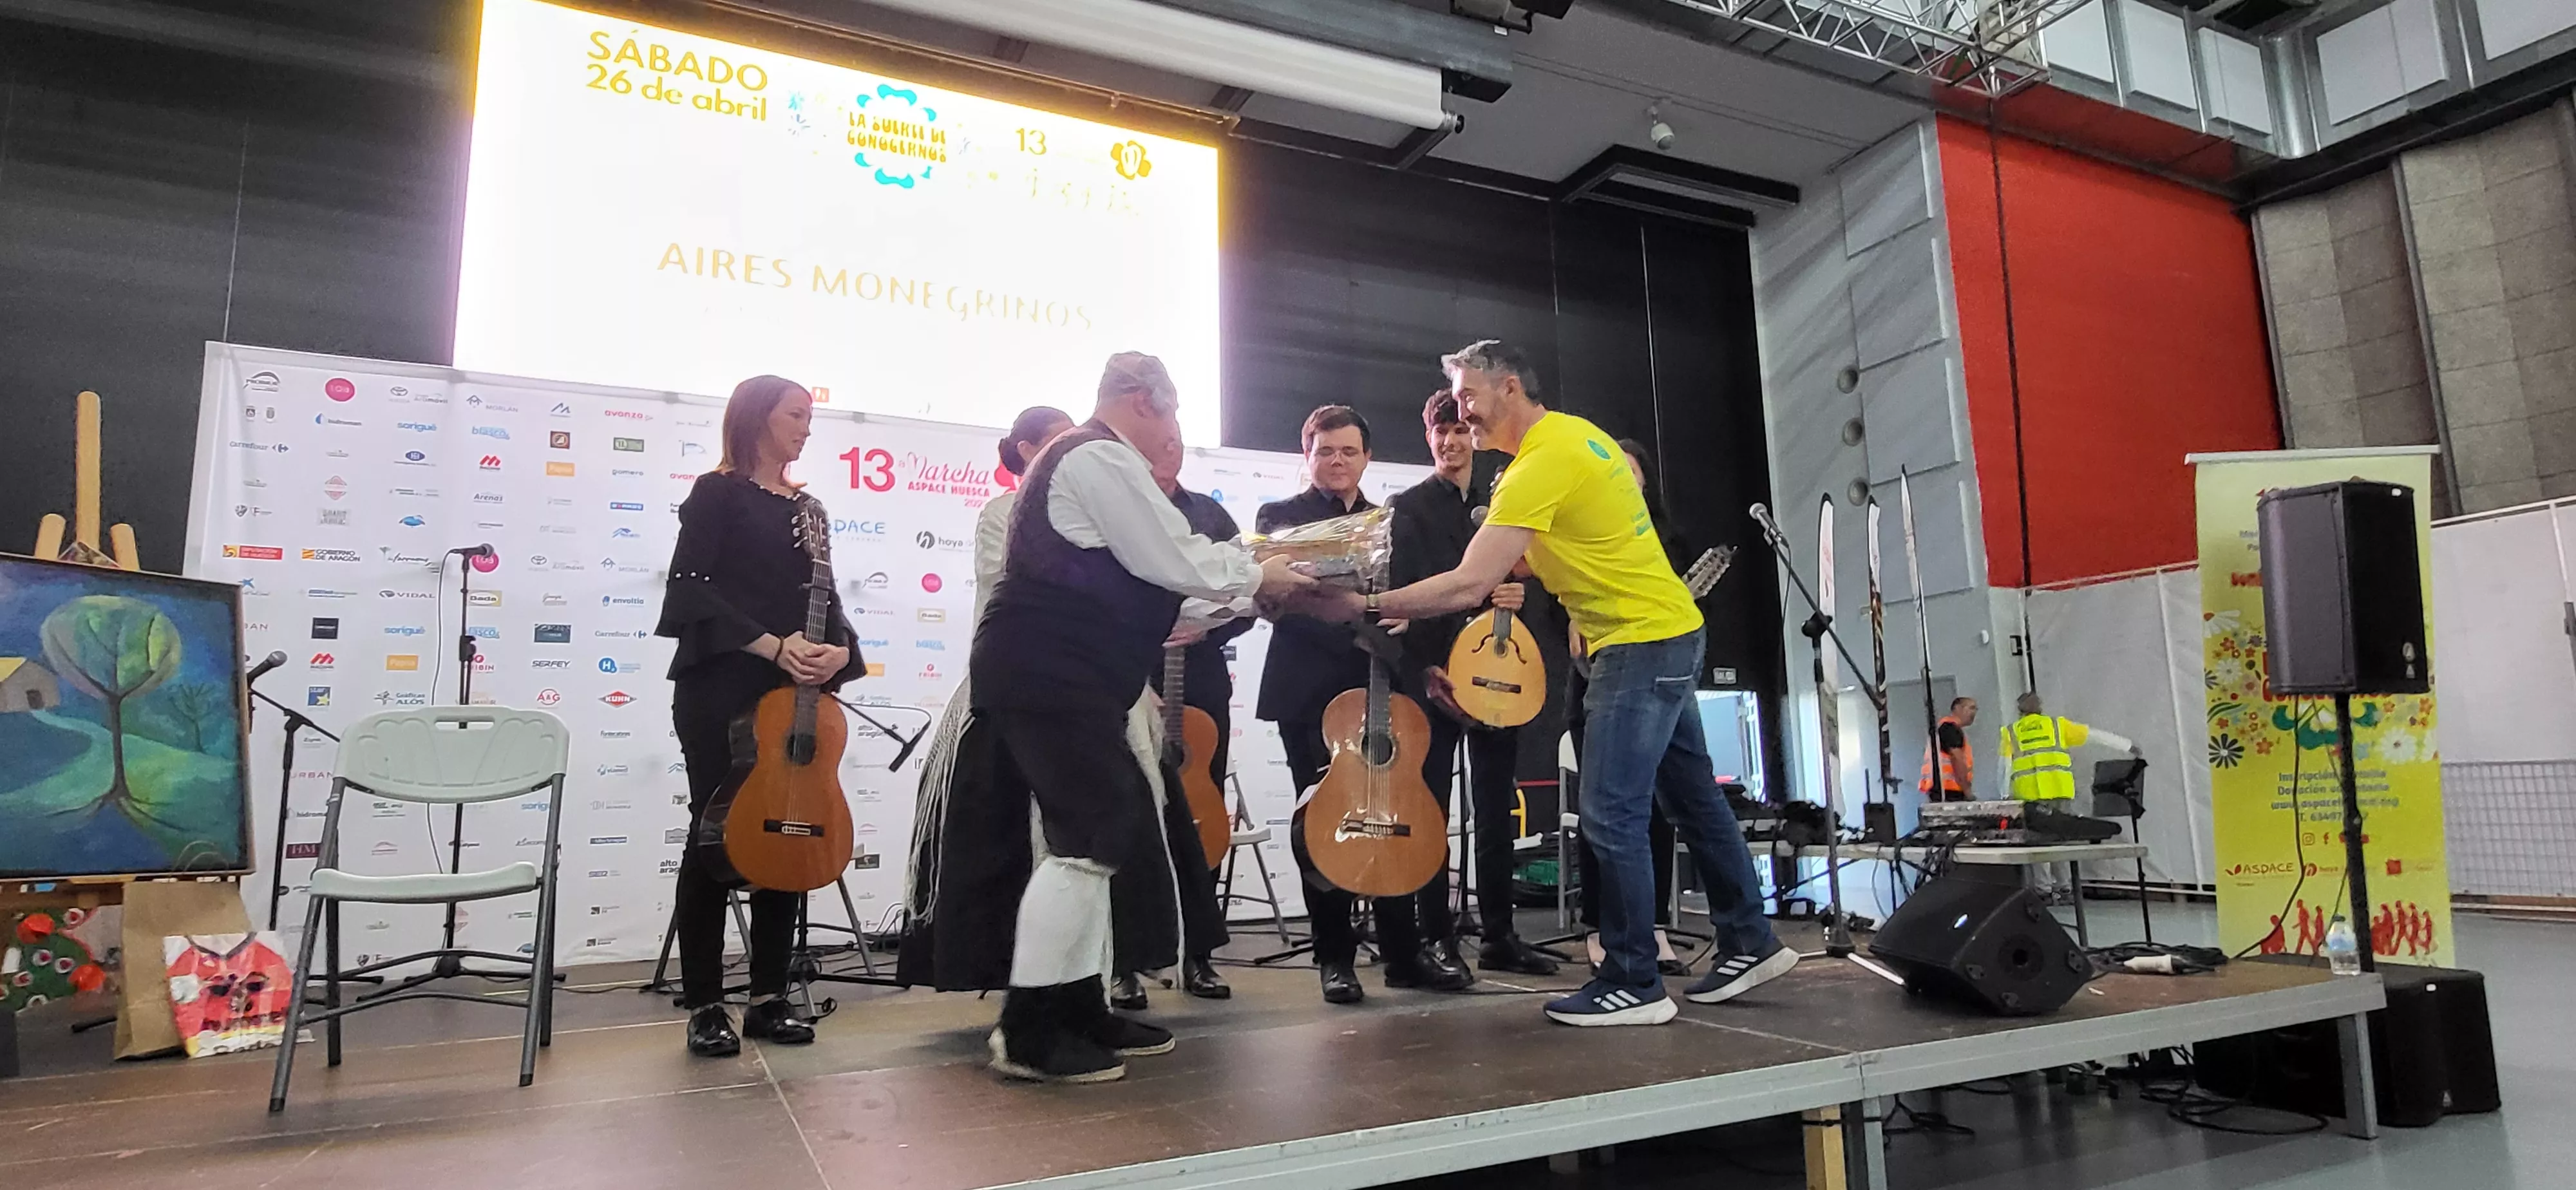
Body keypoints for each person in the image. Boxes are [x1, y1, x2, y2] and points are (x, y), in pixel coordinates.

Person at [1311, 340, 1792, 1027]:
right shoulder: (1578, 438)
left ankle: (1633, 979)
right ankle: (1750, 938)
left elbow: (1473, 581)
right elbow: (1553, 553)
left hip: (1636, 643)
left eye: (1469, 396)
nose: (1462, 411)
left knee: (1609, 814)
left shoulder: (1538, 463)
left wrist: (1369, 603)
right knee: (1693, 802)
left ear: (1508, 388)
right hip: (1668, 630)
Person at [913, 352, 1307, 1084]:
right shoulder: (1097, 456)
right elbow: (1174, 556)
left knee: (1102, 832)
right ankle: (1028, 1028)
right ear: (1139, 400)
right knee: (1091, 834)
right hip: (1048, 674)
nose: (1175, 432)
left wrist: (1252, 595)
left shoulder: (1085, 462)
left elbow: (1153, 585)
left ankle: (1077, 1005)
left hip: (1065, 677)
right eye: (1174, 413)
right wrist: (1262, 574)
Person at [656, 375, 864, 1057]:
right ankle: (707, 1003)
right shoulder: (716, 493)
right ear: (757, 418)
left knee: (794, 829)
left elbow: (825, 600)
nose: (807, 427)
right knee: (714, 839)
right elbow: (690, 590)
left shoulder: (810, 507)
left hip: (797, 692)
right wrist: (773, 645)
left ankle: (770, 997)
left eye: (810, 416)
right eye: (795, 415)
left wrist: (839, 653)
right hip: (722, 685)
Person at [1258, 404, 1472, 1005]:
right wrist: (1363, 625)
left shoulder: (1390, 520)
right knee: (1319, 828)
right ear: (1308, 454)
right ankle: (1335, 959)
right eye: (1326, 451)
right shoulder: (1280, 519)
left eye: (1349, 452)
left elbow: (1408, 599)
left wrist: (1403, 628)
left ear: (1367, 457)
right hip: (1307, 693)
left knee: (1393, 817)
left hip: (1384, 690)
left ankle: (1404, 956)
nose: (1337, 462)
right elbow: (1286, 603)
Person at [1385, 389, 1556, 977]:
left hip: (1496, 674)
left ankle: (1500, 936)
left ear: (1476, 439)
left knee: (1494, 810)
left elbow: (1523, 581)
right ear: (1429, 438)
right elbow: (1403, 599)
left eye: (1462, 431)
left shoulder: (1501, 501)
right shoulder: (1405, 508)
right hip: (1435, 681)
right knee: (1431, 811)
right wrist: (1424, 667)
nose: (1453, 442)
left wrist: (1517, 595)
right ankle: (1437, 939)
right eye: (1443, 432)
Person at [902, 406, 1072, 977]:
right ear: (1026, 450)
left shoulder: (1088, 515)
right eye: (1058, 439)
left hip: (1079, 688)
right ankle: (1013, 969)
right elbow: (1004, 599)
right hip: (1011, 687)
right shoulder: (1001, 514)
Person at [1569, 439, 1698, 976]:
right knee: (1605, 811)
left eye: (1630, 474)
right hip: (1595, 677)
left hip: (1658, 670)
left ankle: (1651, 931)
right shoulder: (1585, 535)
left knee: (1655, 810)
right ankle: (1605, 929)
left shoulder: (1665, 542)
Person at [1140, 433, 1251, 1003]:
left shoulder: (1210, 515)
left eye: (1174, 446)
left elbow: (1248, 599)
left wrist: (1211, 627)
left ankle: (1199, 954)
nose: (1165, 454)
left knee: (1201, 814)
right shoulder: (1123, 508)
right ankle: (1123, 963)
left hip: (1203, 680)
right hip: (1133, 678)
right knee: (1128, 817)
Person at [1997, 691, 2137, 903]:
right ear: (2041, 707)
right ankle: (2065, 890)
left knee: (2038, 844)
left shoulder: (2011, 732)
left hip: (2030, 795)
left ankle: (2043, 891)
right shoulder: (2057, 726)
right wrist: (2127, 745)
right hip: (2060, 790)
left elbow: (2005, 766)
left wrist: (2004, 794)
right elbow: (2093, 734)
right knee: (2063, 839)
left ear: (2019, 711)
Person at [1920, 697, 1978, 802]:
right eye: (1971, 708)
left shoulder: (1944, 728)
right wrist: (1967, 791)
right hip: (1949, 792)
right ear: (1958, 709)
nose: (1974, 712)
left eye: (1975, 709)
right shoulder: (1951, 729)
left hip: (1942, 790)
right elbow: (1957, 760)